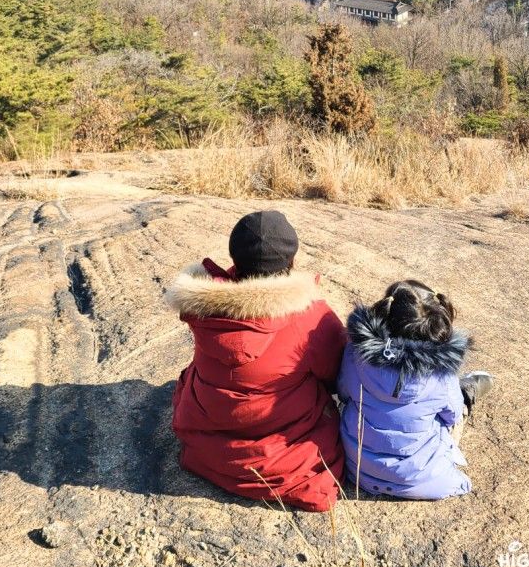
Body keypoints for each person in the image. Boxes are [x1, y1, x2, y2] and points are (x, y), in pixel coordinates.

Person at [166, 210, 347, 512]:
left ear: (235, 258)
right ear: (291, 261)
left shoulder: (205, 308)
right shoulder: (312, 315)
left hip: (207, 440)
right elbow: (335, 375)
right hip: (282, 460)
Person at [337, 279, 493, 500]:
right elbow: (452, 416)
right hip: (419, 479)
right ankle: (468, 391)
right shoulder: (441, 373)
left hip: (358, 470)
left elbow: (343, 392)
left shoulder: (355, 353)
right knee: (452, 410)